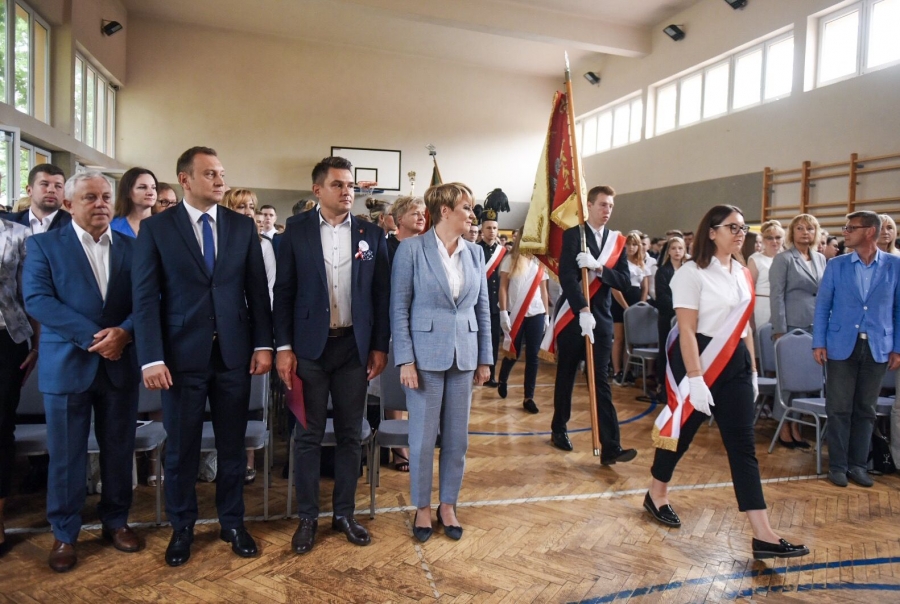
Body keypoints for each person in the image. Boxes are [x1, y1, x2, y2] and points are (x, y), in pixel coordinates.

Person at [133, 146, 273, 567]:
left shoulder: (241, 226)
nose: (220, 180)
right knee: (181, 448)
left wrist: (263, 345)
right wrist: (151, 357)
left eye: (222, 173)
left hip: (233, 354)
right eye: (210, 173)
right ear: (185, 179)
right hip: (180, 358)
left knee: (232, 446)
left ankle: (232, 522)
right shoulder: (157, 228)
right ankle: (182, 527)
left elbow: (256, 291)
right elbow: (145, 298)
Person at [646, 204, 808, 560]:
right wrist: (695, 378)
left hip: (735, 361)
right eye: (732, 227)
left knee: (742, 445)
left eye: (742, 228)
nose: (740, 234)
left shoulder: (742, 272)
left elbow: (744, 326)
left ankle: (763, 534)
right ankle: (657, 493)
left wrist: (752, 370)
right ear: (712, 232)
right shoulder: (691, 273)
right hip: (699, 358)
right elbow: (686, 330)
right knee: (683, 432)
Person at [23, 172, 142, 572]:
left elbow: (149, 298)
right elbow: (38, 299)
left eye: (106, 196)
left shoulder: (133, 247)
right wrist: (96, 338)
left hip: (119, 364)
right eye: (90, 197)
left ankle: (116, 521)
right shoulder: (44, 245)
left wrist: (124, 332)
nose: (101, 204)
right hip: (68, 364)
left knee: (119, 450)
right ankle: (64, 533)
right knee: (66, 456)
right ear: (69, 204)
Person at [274, 156, 390, 555]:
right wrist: (284, 348)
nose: (346, 191)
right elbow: (283, 294)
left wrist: (379, 346)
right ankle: (308, 516)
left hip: (352, 349)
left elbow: (380, 295)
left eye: (350, 185)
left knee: (349, 435)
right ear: (317, 189)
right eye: (338, 184)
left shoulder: (371, 234)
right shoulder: (295, 230)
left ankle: (344, 513)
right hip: (309, 348)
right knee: (307, 435)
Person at [391, 182, 492, 542]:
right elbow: (399, 308)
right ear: (445, 211)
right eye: (467, 207)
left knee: (457, 440)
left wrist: (485, 358)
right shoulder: (411, 250)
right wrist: (405, 360)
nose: (472, 215)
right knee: (421, 440)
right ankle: (422, 507)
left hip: (464, 356)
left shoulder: (475, 253)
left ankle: (447, 505)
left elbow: (483, 309)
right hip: (424, 359)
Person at [549, 185, 636, 464]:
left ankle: (610, 446)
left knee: (600, 381)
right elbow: (567, 276)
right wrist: (582, 309)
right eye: (602, 205)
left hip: (603, 319)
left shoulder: (617, 241)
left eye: (610, 206)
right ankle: (559, 428)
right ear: (589, 206)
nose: (607, 210)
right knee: (567, 375)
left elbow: (624, 281)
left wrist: (599, 267)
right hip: (575, 317)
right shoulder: (575, 235)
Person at [813, 211, 900, 488]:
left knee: (866, 409)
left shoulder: (894, 265)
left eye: (851, 228)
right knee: (838, 408)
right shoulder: (836, 265)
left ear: (870, 231)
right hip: (840, 345)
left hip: (878, 346)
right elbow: (822, 306)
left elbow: (898, 310)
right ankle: (838, 466)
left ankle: (858, 465)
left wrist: (897, 347)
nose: (845, 232)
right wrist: (819, 342)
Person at [221, 188, 276, 484]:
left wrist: (262, 338)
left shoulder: (263, 245)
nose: (248, 213)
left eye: (251, 207)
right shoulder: (219, 238)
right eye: (241, 206)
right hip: (219, 328)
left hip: (249, 329)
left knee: (244, 401)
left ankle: (248, 459)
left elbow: (266, 291)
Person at [768, 214, 826, 448]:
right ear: (792, 233)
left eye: (810, 228)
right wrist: (779, 329)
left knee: (806, 378)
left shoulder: (820, 258)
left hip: (815, 325)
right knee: (787, 379)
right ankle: (783, 425)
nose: (805, 232)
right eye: (800, 228)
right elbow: (776, 295)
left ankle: (796, 425)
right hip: (791, 325)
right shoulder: (783, 259)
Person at [0, 216, 38, 556]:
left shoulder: (18, 234)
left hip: (6, 338)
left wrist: (37, 344)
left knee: (1, 426)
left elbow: (29, 293)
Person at [497, 230, 549, 414]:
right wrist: (503, 312)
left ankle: (529, 397)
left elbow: (543, 290)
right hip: (515, 311)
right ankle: (503, 378)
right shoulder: (510, 259)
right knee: (514, 351)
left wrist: (546, 315)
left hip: (536, 312)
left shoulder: (540, 262)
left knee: (533, 356)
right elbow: (503, 288)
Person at [611, 232, 650, 386]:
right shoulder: (619, 263)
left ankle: (627, 370)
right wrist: (626, 307)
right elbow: (614, 287)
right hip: (620, 302)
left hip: (635, 303)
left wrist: (640, 305)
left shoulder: (641, 264)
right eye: (628, 244)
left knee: (630, 340)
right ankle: (617, 371)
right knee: (619, 338)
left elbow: (644, 288)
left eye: (634, 244)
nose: (631, 248)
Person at [654, 236, 686, 399]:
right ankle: (663, 385)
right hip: (668, 316)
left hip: (686, 317)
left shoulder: (688, 270)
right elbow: (662, 296)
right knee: (666, 350)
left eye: (680, 248)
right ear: (668, 252)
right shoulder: (662, 271)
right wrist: (678, 307)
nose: (677, 251)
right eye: (673, 248)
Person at [477, 209, 505, 387]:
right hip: (478, 304)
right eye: (488, 228)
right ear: (482, 230)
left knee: (493, 341)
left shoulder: (503, 252)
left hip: (495, 305)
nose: (492, 231)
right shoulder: (475, 249)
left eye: (494, 228)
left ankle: (491, 375)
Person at [11, 164, 70, 234]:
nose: (51, 190)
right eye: (44, 184)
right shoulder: (10, 222)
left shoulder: (74, 225)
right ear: (29, 190)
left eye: (58, 186)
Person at [747, 220, 784, 330]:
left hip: (782, 306)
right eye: (770, 238)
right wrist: (750, 318)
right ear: (763, 239)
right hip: (762, 306)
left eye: (778, 237)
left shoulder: (786, 259)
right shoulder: (755, 259)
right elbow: (749, 290)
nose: (774, 241)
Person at [110, 168, 158, 238]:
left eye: (153, 188)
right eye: (142, 187)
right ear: (127, 192)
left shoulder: (164, 224)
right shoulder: (113, 226)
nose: (151, 193)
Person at [386, 195, 427, 264]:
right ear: (400, 220)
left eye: (423, 214)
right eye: (415, 214)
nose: (421, 218)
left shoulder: (428, 246)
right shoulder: (386, 247)